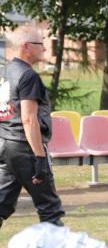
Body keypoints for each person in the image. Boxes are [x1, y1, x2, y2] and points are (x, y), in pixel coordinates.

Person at [0, 23, 65, 228]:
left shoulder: (5, 72)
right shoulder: (28, 75)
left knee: (1, 203)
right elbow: (28, 119)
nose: (44, 48)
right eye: (40, 43)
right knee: (50, 208)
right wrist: (39, 157)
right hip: (25, 148)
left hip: (6, 145)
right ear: (26, 46)